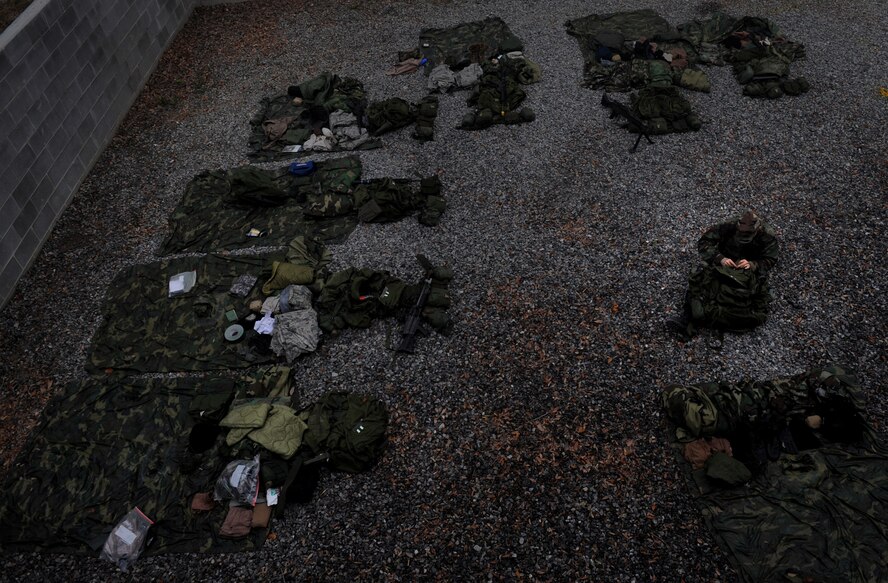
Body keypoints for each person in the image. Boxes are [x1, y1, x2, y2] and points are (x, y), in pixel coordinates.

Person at [668, 211, 779, 340]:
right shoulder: (727, 226)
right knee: (700, 277)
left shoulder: (767, 234)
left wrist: (753, 264)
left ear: (757, 230)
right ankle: (687, 317)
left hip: (747, 268)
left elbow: (770, 259)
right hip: (724, 262)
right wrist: (719, 258)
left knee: (754, 289)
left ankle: (725, 314)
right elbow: (704, 243)